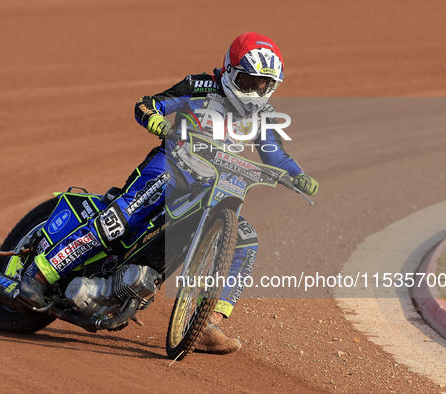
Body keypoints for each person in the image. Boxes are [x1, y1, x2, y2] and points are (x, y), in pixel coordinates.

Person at [19, 32, 318, 354]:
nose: (256, 91)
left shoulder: (263, 115)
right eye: (249, 80)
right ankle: (38, 274)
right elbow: (148, 104)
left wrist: (298, 176)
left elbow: (275, 154)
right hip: (172, 167)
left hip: (215, 185)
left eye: (265, 85)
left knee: (245, 240)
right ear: (230, 71)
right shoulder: (200, 87)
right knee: (122, 218)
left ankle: (206, 322)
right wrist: (158, 122)